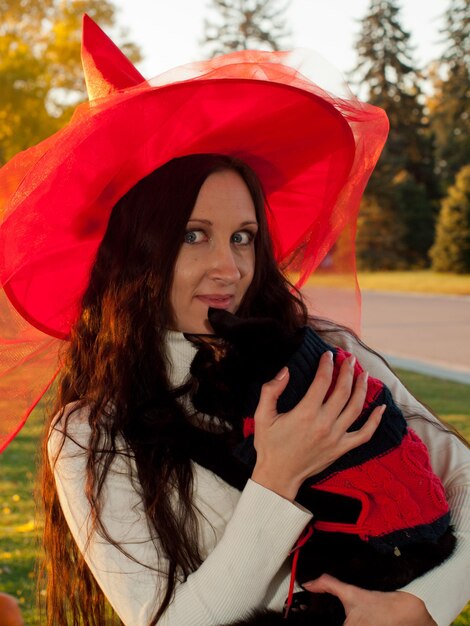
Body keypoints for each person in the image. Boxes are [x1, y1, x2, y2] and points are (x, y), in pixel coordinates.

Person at [0, 15, 468, 626]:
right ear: (134, 253)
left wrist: (419, 607)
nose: (230, 267)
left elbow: (463, 480)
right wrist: (276, 478)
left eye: (244, 237)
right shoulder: (90, 433)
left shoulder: (319, 351)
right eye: (194, 235)